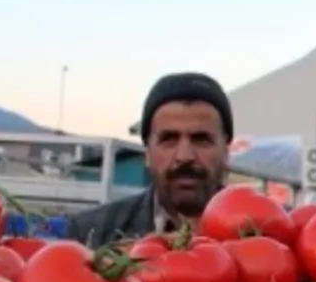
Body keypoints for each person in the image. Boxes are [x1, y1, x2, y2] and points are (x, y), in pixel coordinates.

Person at [67, 72, 232, 246]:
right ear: (147, 152)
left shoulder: (261, 234)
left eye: (201, 139)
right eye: (169, 139)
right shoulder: (91, 234)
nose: (184, 156)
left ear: (226, 151)